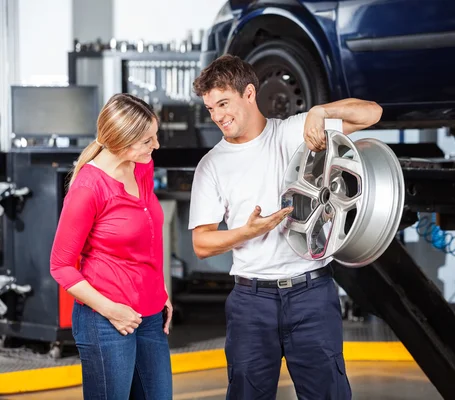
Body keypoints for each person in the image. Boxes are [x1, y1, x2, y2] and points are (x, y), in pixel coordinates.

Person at [189, 54, 382, 399]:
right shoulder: (212, 166)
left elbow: (372, 113)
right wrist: (247, 232)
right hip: (251, 301)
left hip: (311, 294)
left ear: (249, 93)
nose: (217, 116)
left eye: (223, 103)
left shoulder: (294, 131)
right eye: (210, 109)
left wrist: (320, 112)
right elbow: (202, 244)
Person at [49, 93, 173, 400]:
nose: (155, 146)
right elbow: (60, 266)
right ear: (121, 142)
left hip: (150, 315)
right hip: (105, 319)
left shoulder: (141, 167)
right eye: (148, 140)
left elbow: (147, 237)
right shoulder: (88, 188)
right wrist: (112, 311)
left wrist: (160, 291)